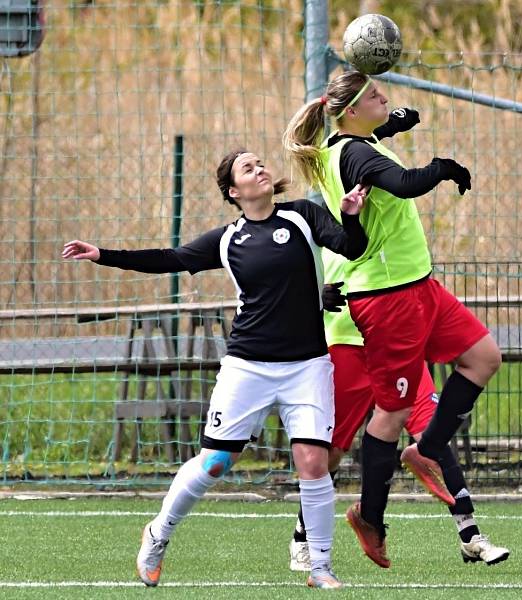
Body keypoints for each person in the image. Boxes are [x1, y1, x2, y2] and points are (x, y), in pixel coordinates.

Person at [62, 149, 368, 589]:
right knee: (216, 463)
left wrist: (350, 216)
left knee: (313, 462)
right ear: (233, 191)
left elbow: (352, 246)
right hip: (248, 366)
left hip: (307, 365)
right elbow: (169, 258)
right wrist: (102, 254)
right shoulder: (228, 239)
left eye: (261, 163)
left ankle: (320, 567)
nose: (260, 170)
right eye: (248, 168)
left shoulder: (304, 216)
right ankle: (158, 533)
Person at [283, 71, 503, 567]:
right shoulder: (353, 154)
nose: (386, 98)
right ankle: (364, 519)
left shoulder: (352, 145)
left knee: (484, 358)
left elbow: (366, 147)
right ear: (352, 110)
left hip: (417, 285)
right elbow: (402, 183)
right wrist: (443, 167)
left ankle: (428, 454)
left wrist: (394, 123)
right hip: (385, 299)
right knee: (383, 420)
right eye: (376, 96)